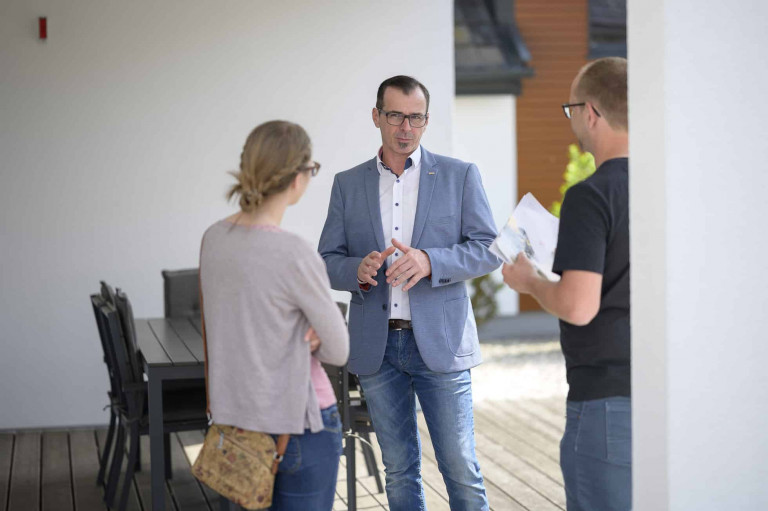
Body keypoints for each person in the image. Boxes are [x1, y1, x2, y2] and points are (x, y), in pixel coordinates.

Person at [318, 75, 500, 510]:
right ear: (377, 116)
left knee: (459, 465)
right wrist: (356, 271)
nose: (405, 128)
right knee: (399, 470)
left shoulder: (459, 175)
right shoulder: (348, 183)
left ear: (426, 120)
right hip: (378, 349)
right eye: (396, 115)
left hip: (440, 342)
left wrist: (430, 261)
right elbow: (326, 259)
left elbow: (489, 250)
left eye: (415, 117)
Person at [199, 120, 349, 510]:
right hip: (300, 428)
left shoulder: (213, 239)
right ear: (298, 178)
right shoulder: (295, 253)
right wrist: (314, 331)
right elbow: (338, 350)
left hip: (238, 429)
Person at [501, 57, 630, 510]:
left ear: (590, 112)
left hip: (606, 401)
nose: (572, 117)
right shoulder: (667, 187)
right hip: (664, 391)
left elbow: (578, 306)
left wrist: (530, 280)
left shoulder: (591, 195)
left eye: (571, 107)